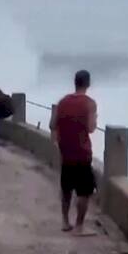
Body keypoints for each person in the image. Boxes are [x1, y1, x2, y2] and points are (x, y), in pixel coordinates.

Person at [49, 70, 98, 236]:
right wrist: (94, 118)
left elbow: (52, 124)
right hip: (82, 153)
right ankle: (79, 226)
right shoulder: (89, 104)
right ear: (88, 83)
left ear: (75, 82)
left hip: (66, 152)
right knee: (84, 191)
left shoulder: (63, 102)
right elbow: (91, 128)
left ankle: (65, 222)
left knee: (66, 189)